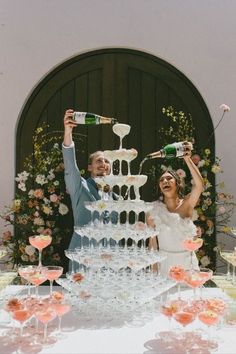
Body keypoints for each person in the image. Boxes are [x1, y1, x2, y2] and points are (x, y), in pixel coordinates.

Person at [62, 109, 115, 266]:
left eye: (107, 161)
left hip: (109, 263)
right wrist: (68, 132)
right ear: (90, 167)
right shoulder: (80, 187)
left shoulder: (118, 199)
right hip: (82, 258)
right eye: (99, 160)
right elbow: (71, 166)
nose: (103, 164)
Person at [148, 142, 204, 277]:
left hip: (188, 264)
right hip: (164, 265)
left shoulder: (187, 204)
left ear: (177, 184)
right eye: (162, 180)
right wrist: (153, 272)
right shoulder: (153, 210)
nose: (165, 182)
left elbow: (199, 185)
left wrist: (187, 159)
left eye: (169, 179)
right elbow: (152, 244)